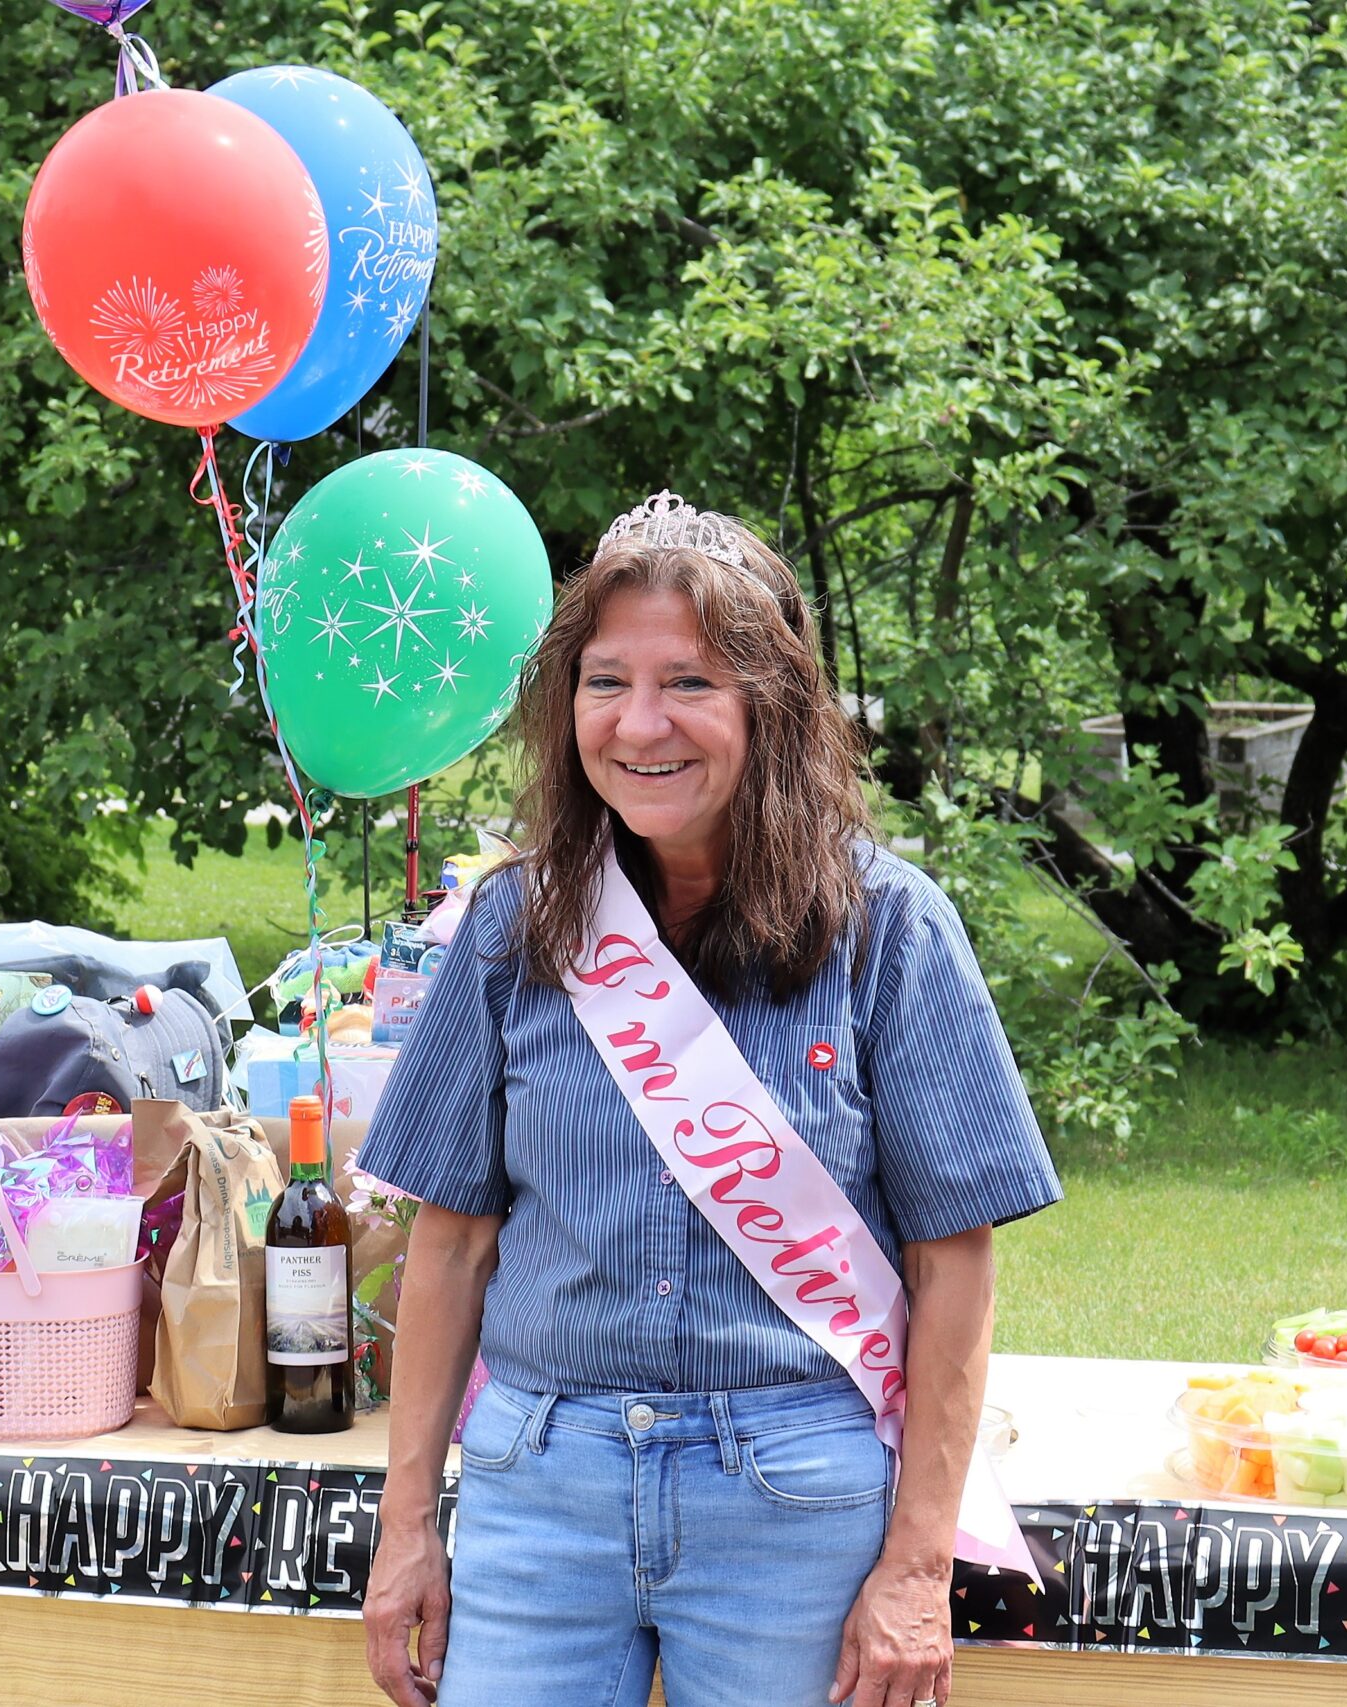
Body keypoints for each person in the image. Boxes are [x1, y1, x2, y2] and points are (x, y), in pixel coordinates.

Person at [356, 491, 1061, 1707]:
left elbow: (957, 1268)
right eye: (604, 682)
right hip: (541, 1487)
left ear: (769, 705)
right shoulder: (512, 929)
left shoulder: (890, 930)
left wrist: (914, 1566)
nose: (639, 725)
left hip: (795, 1496)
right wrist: (405, 1526)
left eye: (688, 682)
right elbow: (451, 1243)